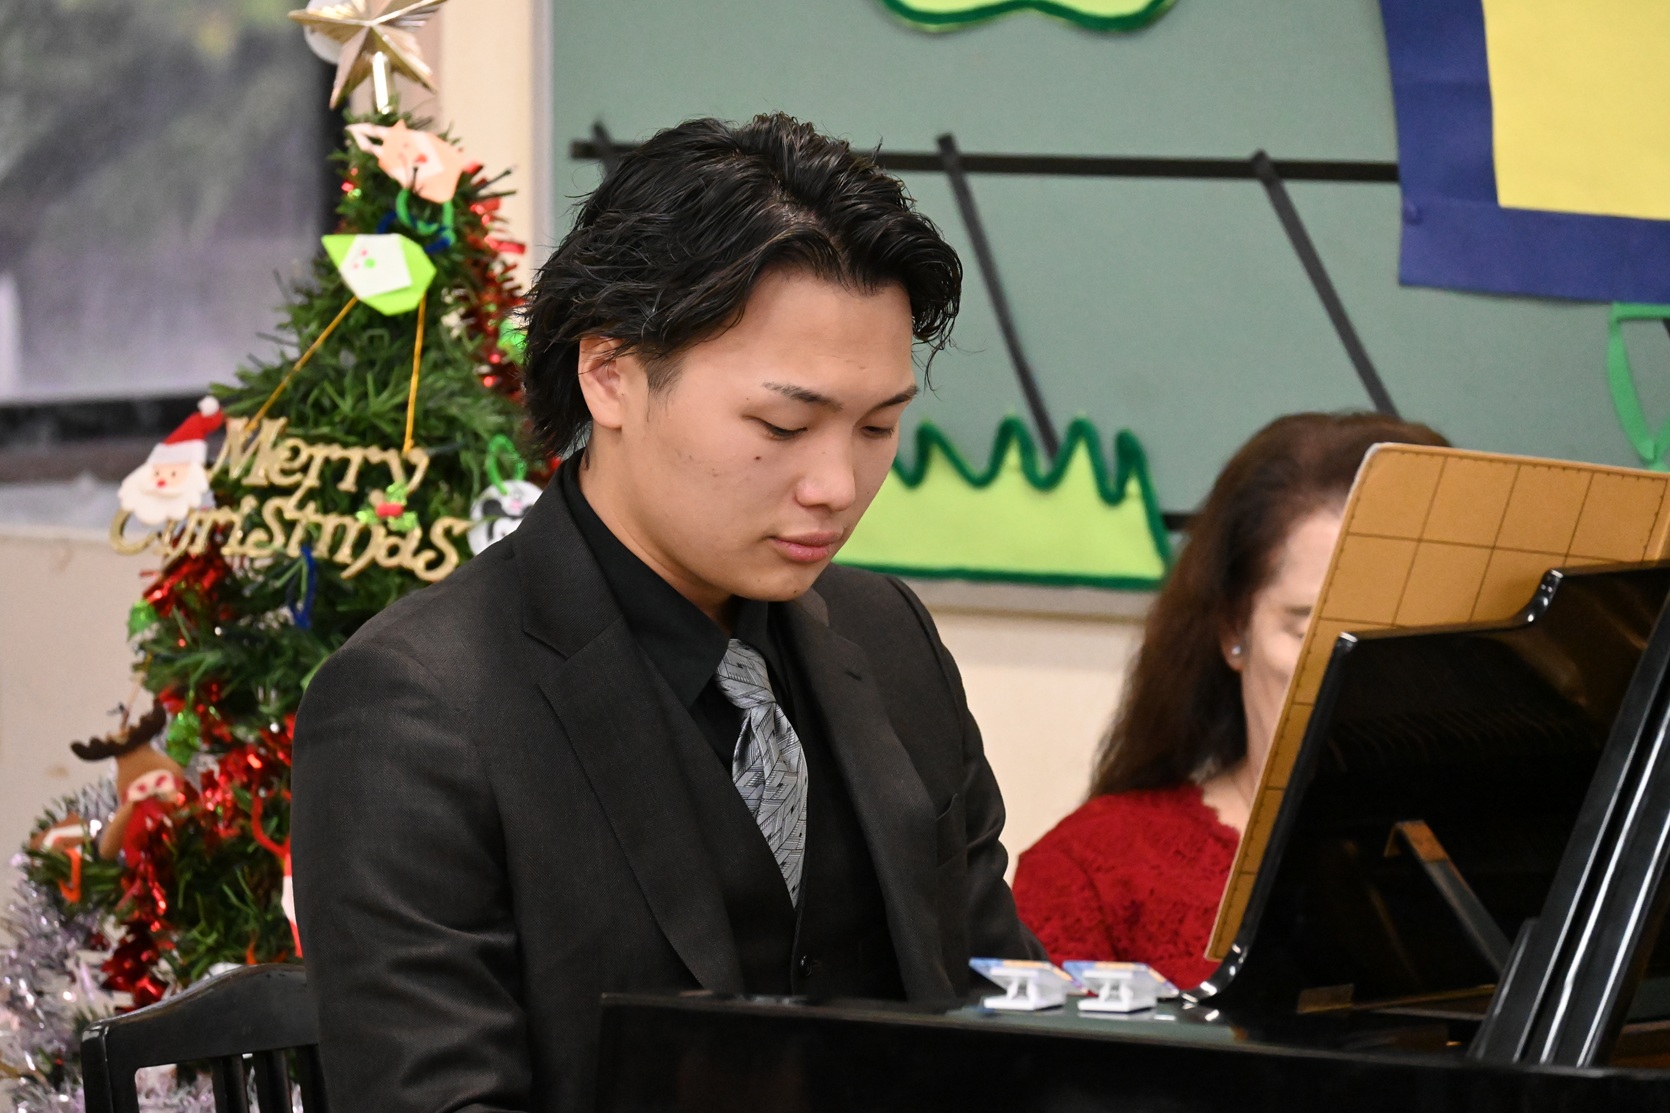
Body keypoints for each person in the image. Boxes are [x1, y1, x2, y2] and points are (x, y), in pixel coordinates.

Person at [291, 113, 1041, 1113]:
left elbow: (1005, 1012)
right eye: (783, 423)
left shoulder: (886, 636)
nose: (835, 485)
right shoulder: (418, 708)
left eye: (877, 428)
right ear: (608, 373)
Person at [1011, 412, 1447, 988]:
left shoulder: (1528, 865)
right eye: (1312, 631)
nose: (1361, 669)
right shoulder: (1090, 872)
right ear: (1234, 628)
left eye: (1401, 632)